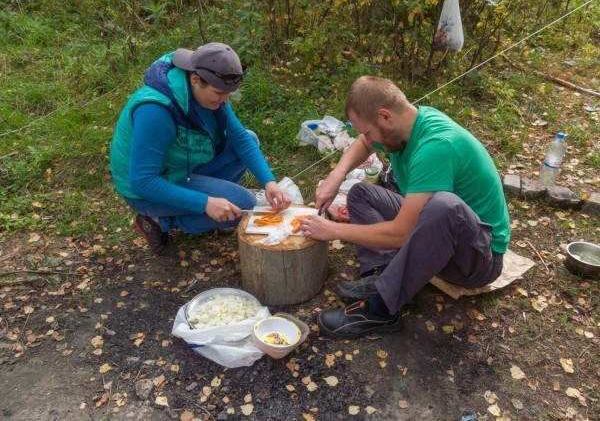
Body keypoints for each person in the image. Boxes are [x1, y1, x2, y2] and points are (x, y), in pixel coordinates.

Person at [299, 76, 510, 338]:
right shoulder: (405, 124)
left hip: (477, 259)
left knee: (444, 206)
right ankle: (386, 274)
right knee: (361, 193)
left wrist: (332, 230)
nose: (366, 138)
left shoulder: (436, 146)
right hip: (443, 237)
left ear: (385, 116)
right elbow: (365, 144)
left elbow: (401, 233)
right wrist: (336, 176)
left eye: (367, 130)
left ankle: (381, 310)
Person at [110, 42, 291, 256]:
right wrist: (204, 203)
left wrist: (269, 182)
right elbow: (141, 182)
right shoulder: (155, 111)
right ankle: (158, 221)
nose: (225, 100)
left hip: (179, 168)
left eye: (229, 94)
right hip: (147, 188)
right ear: (195, 80)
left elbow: (241, 139)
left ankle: (209, 209)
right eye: (219, 93)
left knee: (250, 139)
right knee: (244, 205)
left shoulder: (209, 94)